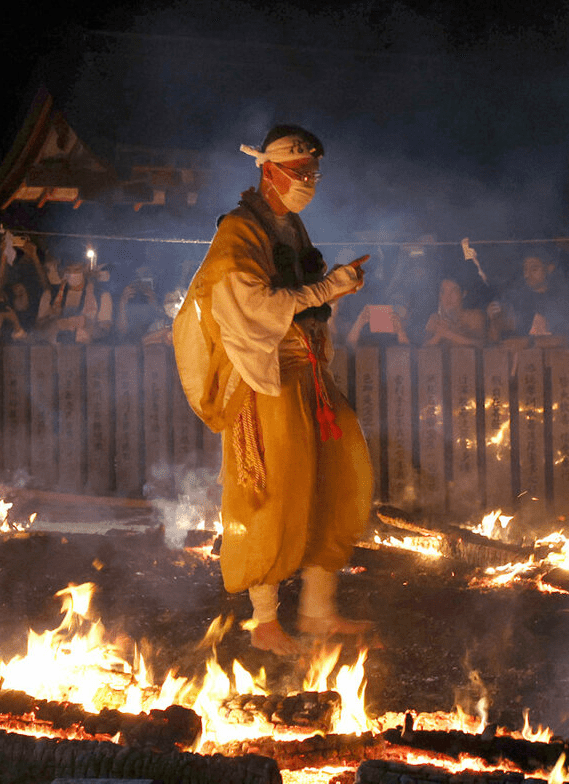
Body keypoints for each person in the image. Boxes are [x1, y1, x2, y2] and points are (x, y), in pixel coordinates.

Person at [173, 124, 372, 656]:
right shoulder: (240, 229)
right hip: (262, 374)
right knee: (272, 489)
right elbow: (251, 302)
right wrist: (330, 286)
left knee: (335, 474)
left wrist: (333, 288)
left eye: (313, 171)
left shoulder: (293, 227)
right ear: (268, 170)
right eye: (299, 171)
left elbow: (301, 295)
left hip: (305, 367)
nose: (308, 180)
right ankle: (264, 622)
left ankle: (317, 611)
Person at [423, 278, 486, 346]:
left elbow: (480, 344)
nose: (448, 297)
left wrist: (448, 334)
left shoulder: (474, 317)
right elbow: (424, 349)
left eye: (453, 292)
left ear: (463, 294)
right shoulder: (435, 319)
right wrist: (438, 336)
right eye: (443, 292)